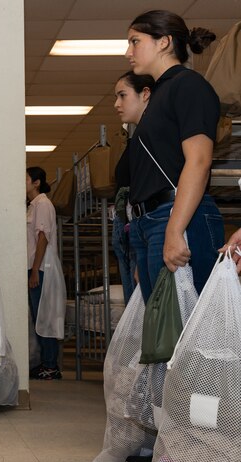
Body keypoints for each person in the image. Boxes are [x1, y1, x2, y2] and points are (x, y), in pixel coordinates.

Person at [125, 10, 224, 302]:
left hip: (176, 217)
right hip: (151, 223)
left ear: (164, 42)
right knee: (163, 335)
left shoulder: (189, 85)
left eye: (135, 42)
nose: (128, 52)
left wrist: (173, 230)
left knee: (187, 334)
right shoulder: (160, 93)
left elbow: (199, 160)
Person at [112, 71, 155, 304]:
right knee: (140, 304)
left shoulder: (152, 136)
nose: (116, 103)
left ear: (145, 94)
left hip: (148, 226)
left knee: (150, 305)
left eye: (122, 95)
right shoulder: (138, 138)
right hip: (135, 227)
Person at [26, 167, 62, 380]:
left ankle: (51, 366)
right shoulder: (31, 207)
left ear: (36, 182)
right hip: (34, 266)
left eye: (26, 179)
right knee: (38, 316)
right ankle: (44, 362)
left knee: (44, 316)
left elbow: (43, 238)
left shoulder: (43, 204)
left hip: (41, 267)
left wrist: (35, 271)